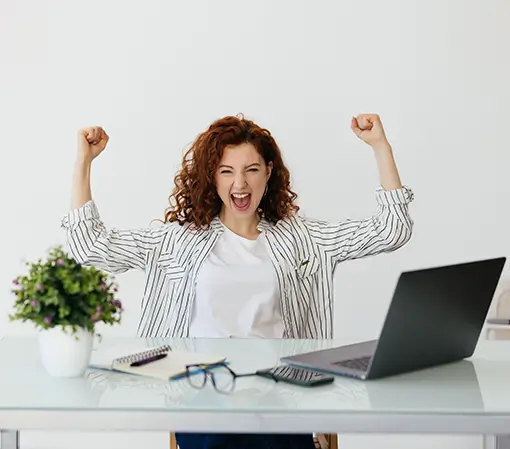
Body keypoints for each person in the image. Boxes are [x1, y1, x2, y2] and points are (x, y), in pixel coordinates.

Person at [61, 113, 414, 449]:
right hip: (202, 395)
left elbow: (391, 230)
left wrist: (381, 147)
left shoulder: (302, 238)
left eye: (252, 170)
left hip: (279, 395)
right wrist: (84, 162)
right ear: (212, 177)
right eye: (227, 171)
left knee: (271, 432)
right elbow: (88, 245)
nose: (240, 183)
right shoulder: (178, 241)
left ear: (269, 173)